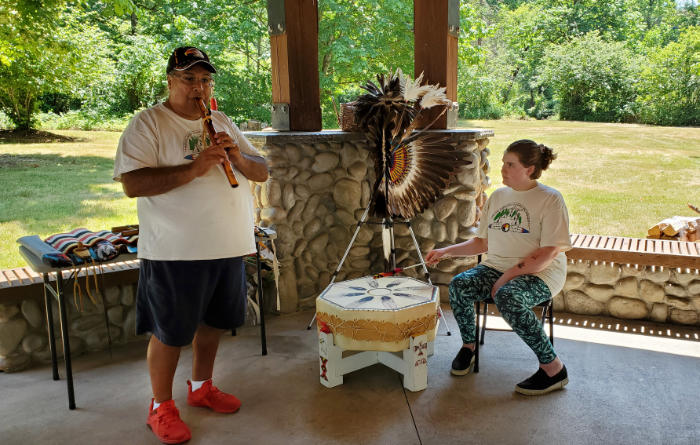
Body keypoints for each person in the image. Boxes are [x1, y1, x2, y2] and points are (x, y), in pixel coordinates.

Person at [113, 46, 268, 444]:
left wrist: (237, 158)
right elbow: (134, 184)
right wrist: (196, 167)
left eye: (205, 79)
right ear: (170, 80)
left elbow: (262, 171)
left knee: (214, 323)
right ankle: (160, 407)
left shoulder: (221, 121)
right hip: (175, 250)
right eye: (189, 78)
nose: (198, 87)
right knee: (170, 331)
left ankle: (201, 387)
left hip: (227, 245)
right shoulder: (148, 124)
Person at [425, 139, 571, 396]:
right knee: (460, 285)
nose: (502, 169)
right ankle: (468, 347)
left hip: (541, 273)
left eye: (510, 164)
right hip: (497, 267)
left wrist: (507, 277)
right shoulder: (498, 197)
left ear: (530, 168)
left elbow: (549, 252)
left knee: (508, 296)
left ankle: (553, 368)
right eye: (503, 163)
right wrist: (445, 252)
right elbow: (482, 242)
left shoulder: (550, 200)